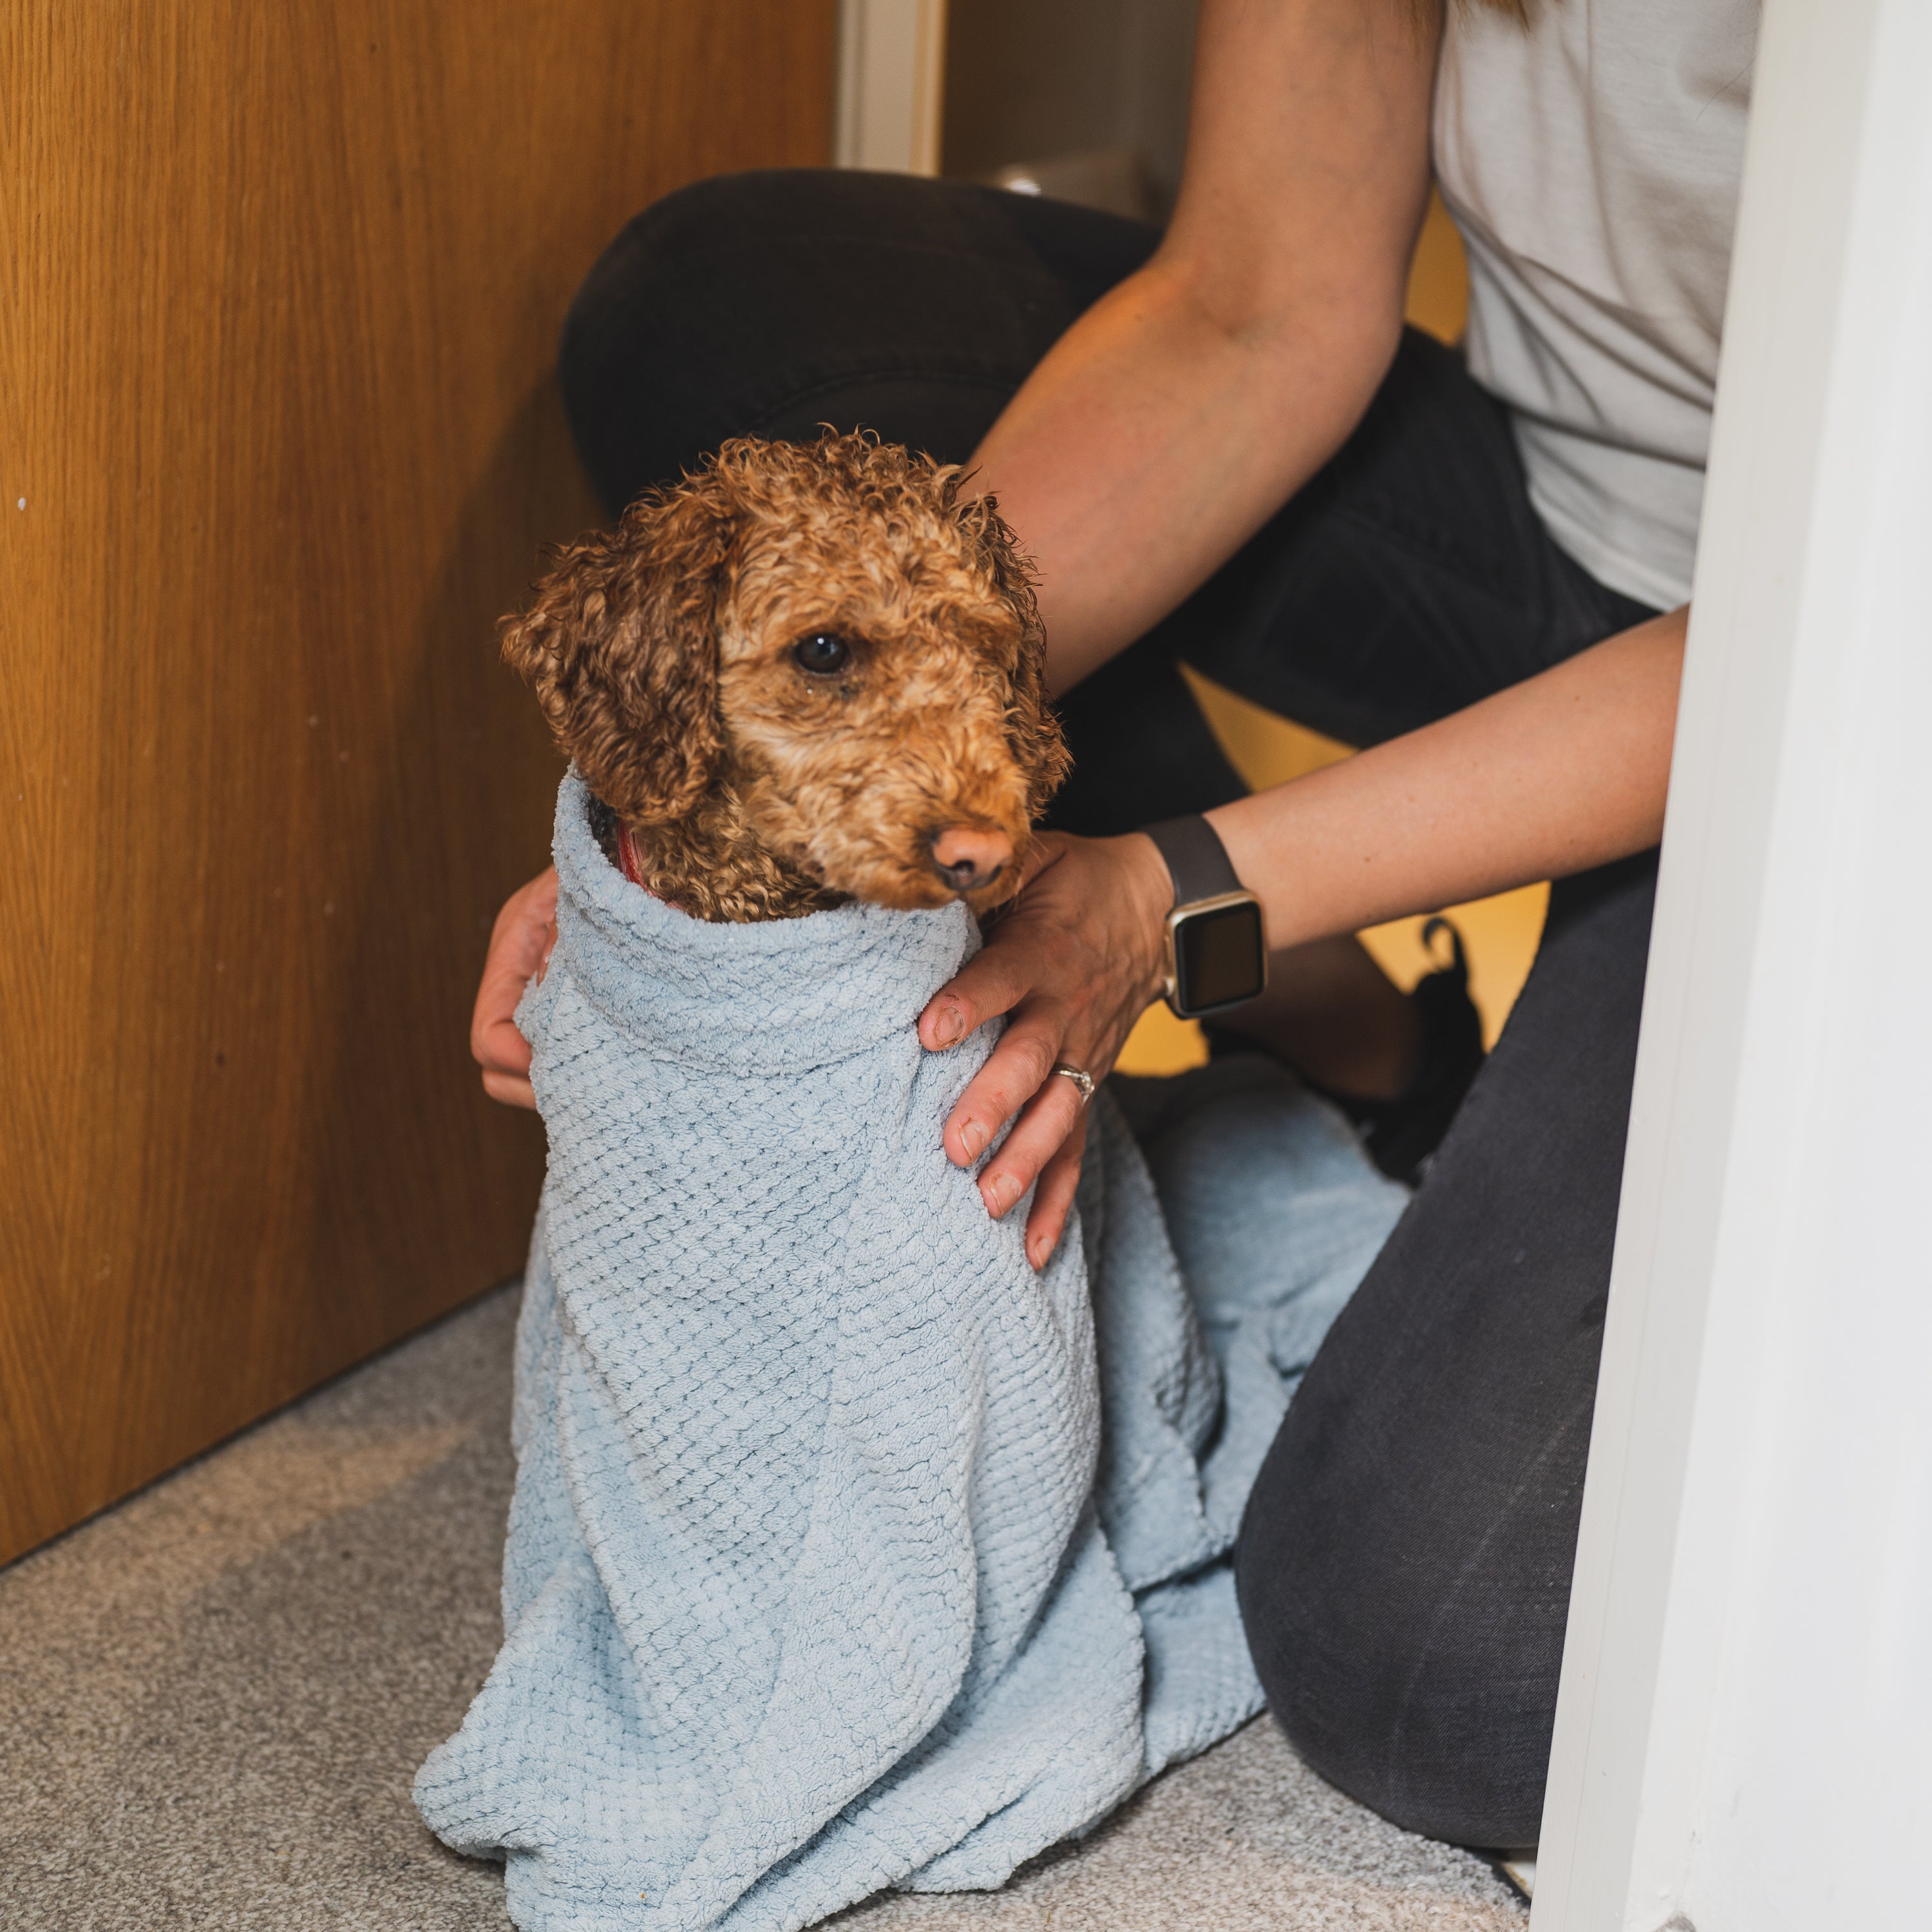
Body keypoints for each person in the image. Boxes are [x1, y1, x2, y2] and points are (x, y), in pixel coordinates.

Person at [471, 0, 1755, 1852]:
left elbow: (1831, 635)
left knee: (1434, 1667)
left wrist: (1170, 892)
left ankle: (1277, 965)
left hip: (1844, 668)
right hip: (1548, 508)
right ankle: (1355, 1031)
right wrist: (725, 791)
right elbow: (1254, 306)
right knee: (709, 306)